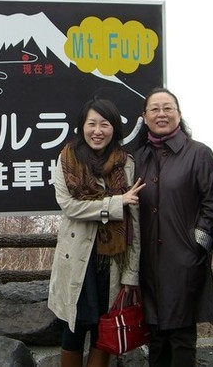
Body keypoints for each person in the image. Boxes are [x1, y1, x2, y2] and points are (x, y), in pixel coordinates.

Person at [48, 97, 144, 367]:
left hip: (112, 261)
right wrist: (115, 204)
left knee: (105, 330)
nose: (97, 130)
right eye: (91, 123)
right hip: (77, 259)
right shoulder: (67, 159)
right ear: (82, 126)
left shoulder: (126, 164)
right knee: (73, 329)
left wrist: (131, 275)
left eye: (105, 124)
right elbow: (69, 206)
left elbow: (133, 222)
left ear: (115, 128)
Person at [134, 87, 213, 367]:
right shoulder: (139, 158)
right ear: (145, 117)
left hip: (183, 258)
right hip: (147, 260)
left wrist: (197, 245)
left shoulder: (198, 153)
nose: (161, 114)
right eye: (155, 109)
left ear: (179, 114)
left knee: (182, 336)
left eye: (168, 108)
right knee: (155, 335)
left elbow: (212, 204)